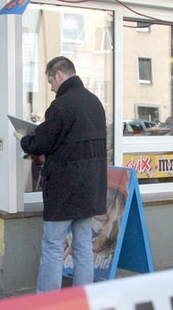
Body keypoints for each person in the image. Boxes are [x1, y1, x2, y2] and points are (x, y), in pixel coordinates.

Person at [15, 56, 107, 293]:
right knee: (84, 245)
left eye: (50, 81)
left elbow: (43, 142)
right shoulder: (95, 102)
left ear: (59, 75)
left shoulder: (60, 105)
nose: (51, 87)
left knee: (53, 246)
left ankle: (49, 302)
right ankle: (84, 298)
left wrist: (25, 140)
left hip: (64, 190)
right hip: (90, 189)